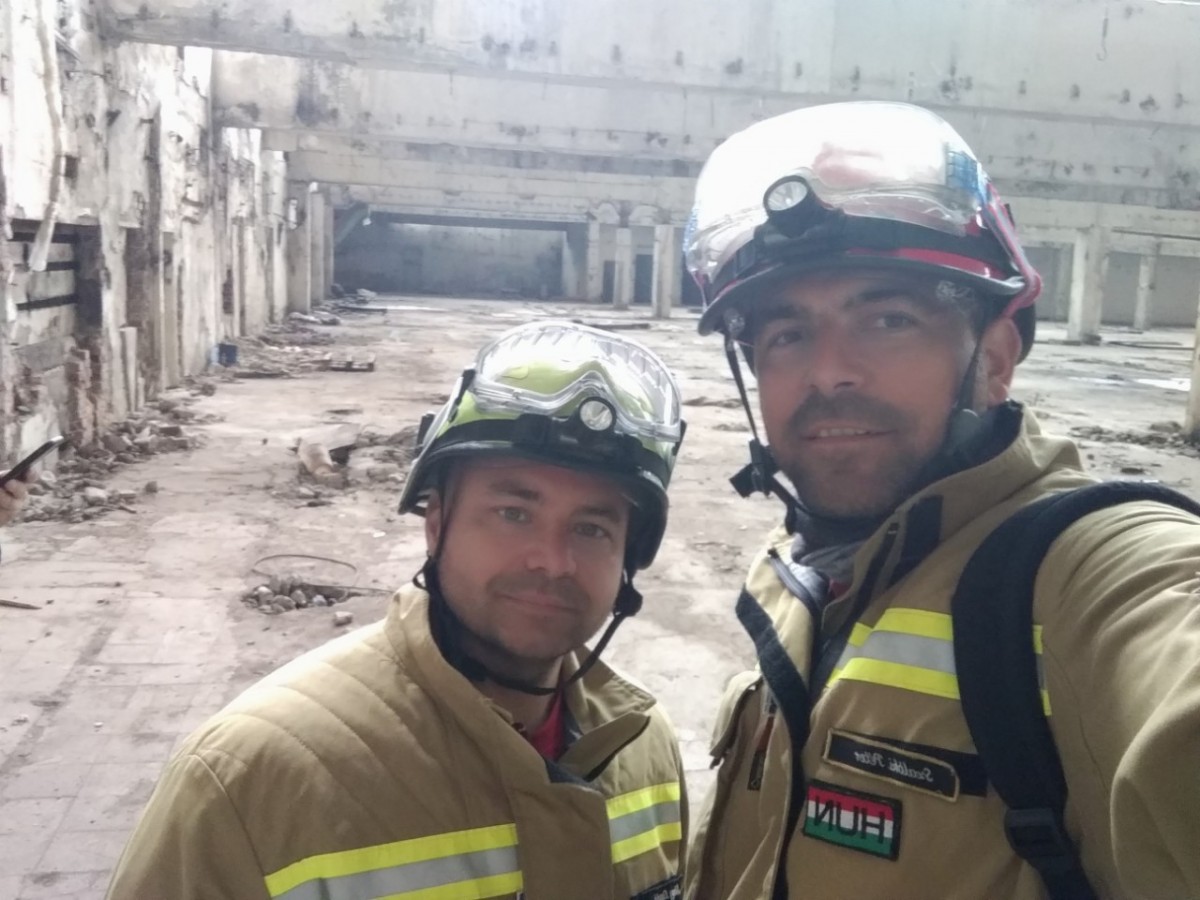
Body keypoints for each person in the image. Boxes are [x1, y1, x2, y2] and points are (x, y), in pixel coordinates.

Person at [681, 101, 1200, 900]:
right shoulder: (799, 577)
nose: (829, 371)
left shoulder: (1088, 573)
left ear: (994, 360)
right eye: (787, 334)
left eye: (888, 319)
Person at [107, 321, 689, 900]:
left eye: (592, 528)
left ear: (628, 559)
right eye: (514, 513)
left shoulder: (644, 746)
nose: (553, 561)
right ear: (436, 523)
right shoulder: (246, 782)